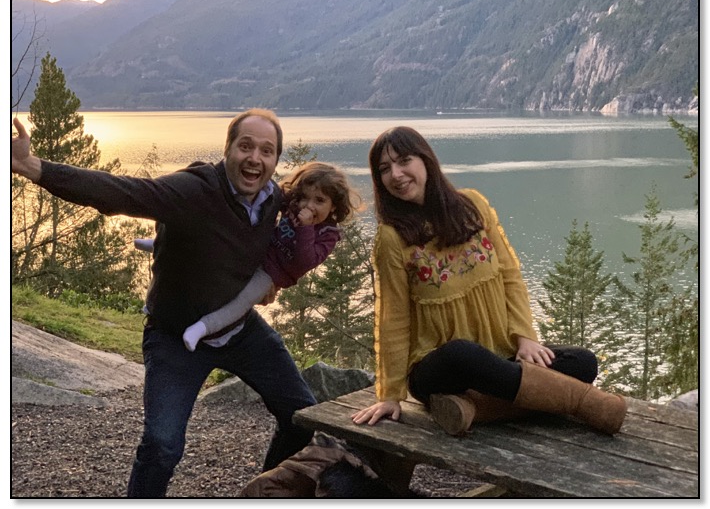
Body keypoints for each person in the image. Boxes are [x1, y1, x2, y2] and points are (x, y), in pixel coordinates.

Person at [11, 110, 318, 497]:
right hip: (175, 336)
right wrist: (33, 167)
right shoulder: (195, 190)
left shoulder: (275, 200)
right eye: (245, 146)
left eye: (267, 150)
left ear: (275, 161)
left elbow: (292, 239)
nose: (255, 157)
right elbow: (123, 192)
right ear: (227, 150)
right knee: (162, 445)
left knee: (303, 418)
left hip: (239, 331)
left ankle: (267, 494)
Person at [351, 126, 627, 436]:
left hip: (497, 354)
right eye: (385, 169)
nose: (396, 174)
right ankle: (591, 405)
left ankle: (475, 408)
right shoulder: (391, 238)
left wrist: (525, 337)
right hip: (439, 368)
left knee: (582, 362)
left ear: (426, 160)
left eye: (404, 161)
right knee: (462, 352)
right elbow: (393, 318)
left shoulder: (473, 206)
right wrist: (390, 394)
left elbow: (510, 275)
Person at [180, 162, 359, 351]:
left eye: (320, 200)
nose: (308, 205)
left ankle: (202, 328)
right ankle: (162, 244)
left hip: (271, 274)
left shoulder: (328, 234)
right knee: (219, 249)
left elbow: (304, 262)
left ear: (333, 206)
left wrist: (305, 228)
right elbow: (270, 195)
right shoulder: (293, 205)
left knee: (243, 300)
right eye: (305, 197)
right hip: (257, 250)